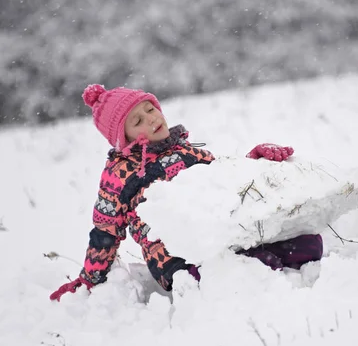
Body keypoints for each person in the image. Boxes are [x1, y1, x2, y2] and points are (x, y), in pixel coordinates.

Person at [49, 84, 323, 302]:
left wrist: (255, 160)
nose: (151, 118)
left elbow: (225, 180)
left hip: (220, 235)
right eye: (137, 120)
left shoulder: (186, 151)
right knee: (259, 266)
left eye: (150, 109)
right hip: (174, 259)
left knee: (311, 245)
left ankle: (249, 265)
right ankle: (224, 279)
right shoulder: (119, 175)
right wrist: (88, 280)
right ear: (125, 138)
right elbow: (104, 232)